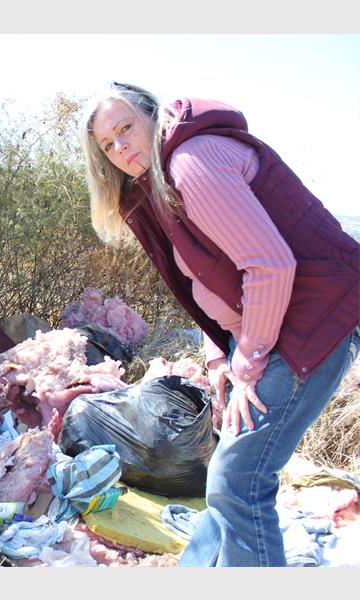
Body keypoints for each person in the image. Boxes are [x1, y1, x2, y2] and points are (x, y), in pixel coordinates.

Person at [79, 81, 360, 567]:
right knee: (227, 477)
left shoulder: (192, 164)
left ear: (153, 117)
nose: (120, 146)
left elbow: (270, 265)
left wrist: (248, 360)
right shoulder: (157, 185)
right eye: (108, 144)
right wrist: (218, 354)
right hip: (266, 328)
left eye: (126, 128)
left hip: (309, 323)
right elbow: (206, 280)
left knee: (239, 480)